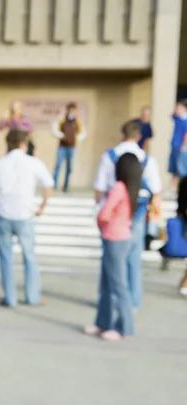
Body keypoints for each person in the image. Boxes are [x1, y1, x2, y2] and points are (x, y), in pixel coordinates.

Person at [0, 129, 53, 307]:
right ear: (24, 144)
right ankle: (33, 296)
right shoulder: (33, 162)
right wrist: (42, 205)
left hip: (4, 213)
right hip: (25, 214)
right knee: (29, 256)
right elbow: (48, 183)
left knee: (5, 256)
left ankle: (10, 297)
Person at [94, 121, 162, 310]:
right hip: (136, 212)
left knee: (110, 260)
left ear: (121, 134)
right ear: (139, 136)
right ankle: (133, 301)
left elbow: (99, 188)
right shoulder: (147, 159)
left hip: (114, 214)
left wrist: (99, 210)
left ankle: (108, 300)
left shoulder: (109, 156)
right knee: (133, 260)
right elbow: (155, 191)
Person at [85, 153, 140, 341]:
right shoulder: (132, 189)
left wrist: (100, 222)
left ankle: (125, 327)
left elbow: (105, 212)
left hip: (113, 238)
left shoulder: (118, 187)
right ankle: (103, 322)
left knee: (117, 285)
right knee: (109, 283)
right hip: (123, 236)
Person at [51, 102, 87, 192]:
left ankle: (66, 186)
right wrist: (61, 135)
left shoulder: (78, 121)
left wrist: (77, 138)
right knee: (58, 165)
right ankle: (54, 185)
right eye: (71, 110)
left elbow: (82, 132)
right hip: (62, 146)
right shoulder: (62, 119)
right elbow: (55, 129)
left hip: (72, 147)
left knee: (69, 167)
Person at [168, 100, 187, 191]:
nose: (177, 109)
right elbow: (171, 115)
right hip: (174, 146)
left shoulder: (185, 120)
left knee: (181, 170)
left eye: (179, 107)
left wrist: (183, 145)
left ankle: (181, 190)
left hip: (181, 148)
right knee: (174, 170)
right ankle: (173, 189)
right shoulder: (177, 118)